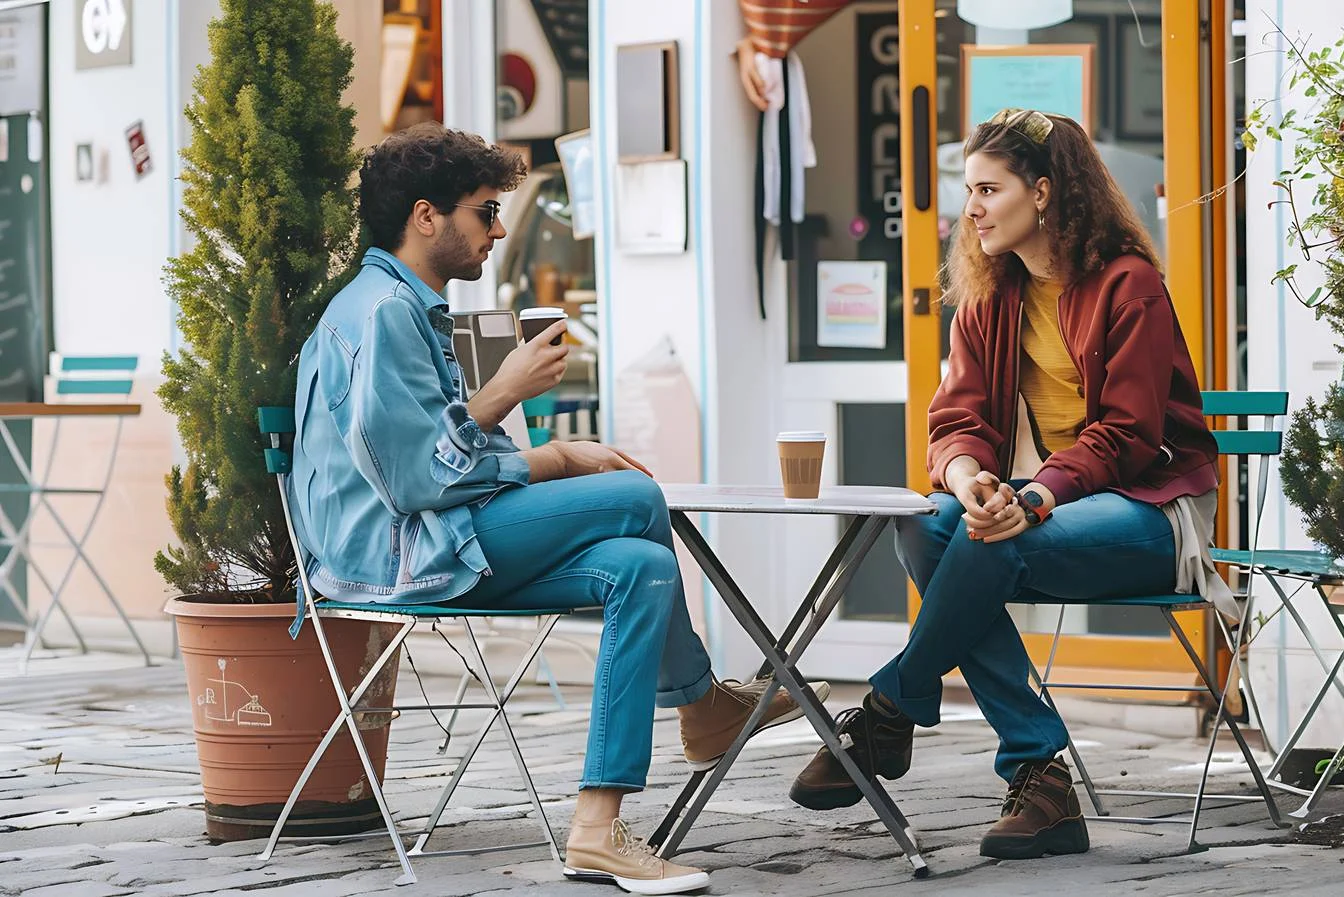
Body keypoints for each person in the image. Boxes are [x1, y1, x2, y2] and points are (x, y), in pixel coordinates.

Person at [291, 124, 818, 895]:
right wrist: (535, 431)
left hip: (435, 537)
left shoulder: (402, 305)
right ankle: (701, 704)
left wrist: (537, 448)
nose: (499, 229)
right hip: (398, 552)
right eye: (485, 211)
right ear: (426, 216)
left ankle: (597, 828)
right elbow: (415, 483)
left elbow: (441, 460)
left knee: (639, 566)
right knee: (637, 495)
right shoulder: (381, 315)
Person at [788, 109, 1227, 860]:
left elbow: (1128, 435)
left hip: (1155, 511)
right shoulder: (994, 293)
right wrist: (967, 482)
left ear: (1047, 191)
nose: (974, 209)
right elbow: (955, 420)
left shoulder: (1131, 285)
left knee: (992, 543)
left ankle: (892, 707)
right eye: (970, 191)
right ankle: (1036, 770)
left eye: (990, 189)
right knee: (929, 519)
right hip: (1063, 498)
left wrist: (1031, 497)